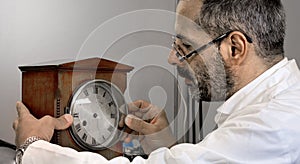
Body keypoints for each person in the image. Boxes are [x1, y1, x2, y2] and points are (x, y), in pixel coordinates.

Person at [13, 0, 300, 163]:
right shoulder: (276, 100)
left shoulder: (272, 124)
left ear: (234, 48)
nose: (172, 60)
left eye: (185, 47)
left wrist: (32, 146)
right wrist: (167, 145)